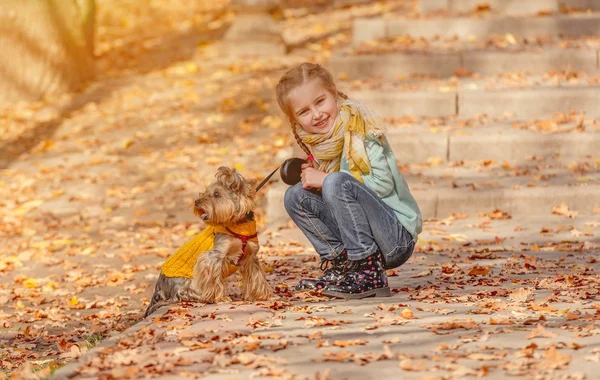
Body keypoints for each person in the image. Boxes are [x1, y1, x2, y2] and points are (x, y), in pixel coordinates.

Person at [275, 62, 422, 299]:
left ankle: (368, 270)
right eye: (304, 112)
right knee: (295, 196)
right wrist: (316, 176)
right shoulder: (321, 145)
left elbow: (382, 184)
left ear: (334, 93)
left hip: (394, 237)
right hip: (359, 234)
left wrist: (325, 179)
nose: (316, 114)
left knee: (335, 182)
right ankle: (344, 266)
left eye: (320, 101)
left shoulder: (361, 130)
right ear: (294, 120)